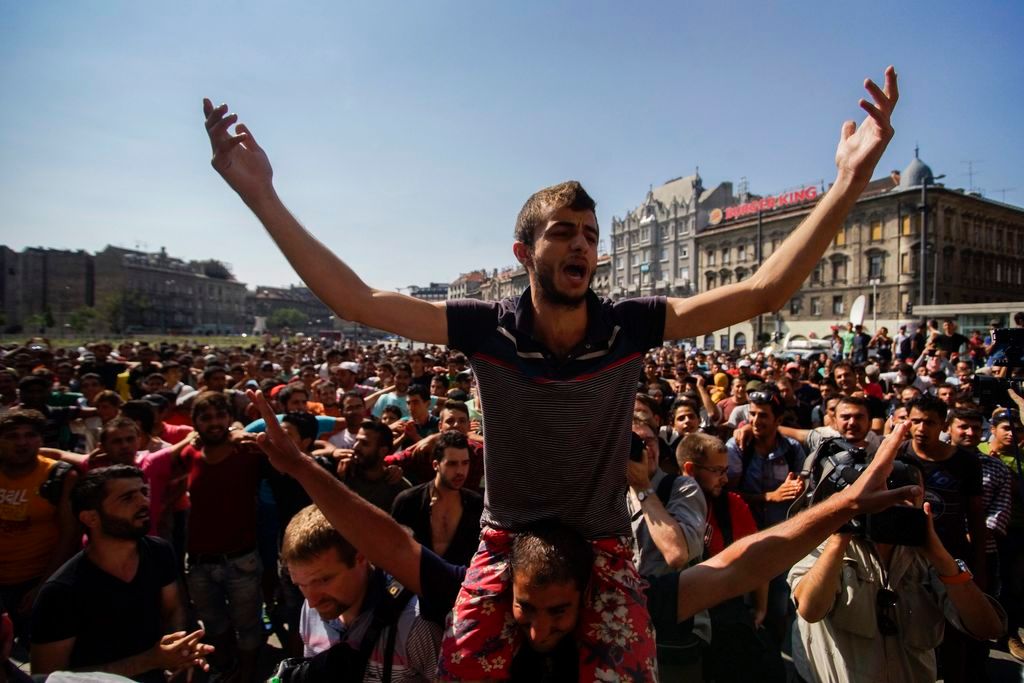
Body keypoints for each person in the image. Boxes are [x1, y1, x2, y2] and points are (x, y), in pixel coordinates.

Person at [203, 66, 899, 680]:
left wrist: (847, 181)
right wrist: (261, 194)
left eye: (591, 234)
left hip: (603, 547)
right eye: (564, 231)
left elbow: (760, 294)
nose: (583, 245)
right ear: (524, 249)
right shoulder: (485, 326)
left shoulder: (630, 322)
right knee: (466, 662)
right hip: (505, 542)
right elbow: (355, 299)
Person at [249, 388, 925, 679]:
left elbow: (743, 564)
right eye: (527, 608)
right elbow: (387, 541)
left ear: (586, 595)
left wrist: (844, 507)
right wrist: (302, 468)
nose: (540, 627)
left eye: (557, 611)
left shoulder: (619, 603)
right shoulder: (472, 594)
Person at [788, 484, 1005, 682]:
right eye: (884, 494)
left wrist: (939, 557)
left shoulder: (928, 556)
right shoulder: (826, 544)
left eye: (906, 496)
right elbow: (811, 610)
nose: (892, 506)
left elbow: (988, 627)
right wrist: (841, 534)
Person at [30, 465, 213, 682]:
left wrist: (181, 650)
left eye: (144, 493)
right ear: (91, 518)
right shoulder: (61, 592)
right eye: (127, 498)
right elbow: (48, 677)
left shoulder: (158, 552)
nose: (143, 502)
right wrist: (151, 660)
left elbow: (173, 609)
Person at [281, 504, 442, 681]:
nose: (312, 601)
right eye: (301, 585)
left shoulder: (415, 625)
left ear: (361, 556)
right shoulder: (312, 608)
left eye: (324, 580)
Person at [677, 432, 774, 682]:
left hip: (726, 617)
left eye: (726, 470)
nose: (724, 478)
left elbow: (758, 558)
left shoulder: (733, 505)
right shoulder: (666, 504)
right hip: (683, 620)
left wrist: (760, 608)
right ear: (689, 469)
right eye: (717, 471)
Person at [626, 416, 707, 678]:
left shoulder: (682, 487)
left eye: (648, 441)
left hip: (673, 629)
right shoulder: (607, 493)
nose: (643, 449)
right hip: (624, 625)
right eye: (631, 443)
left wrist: (642, 488)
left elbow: (676, 553)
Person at [0, 410, 78, 644]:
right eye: (12, 436)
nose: (22, 442)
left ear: (40, 440)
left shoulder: (58, 475)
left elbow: (70, 536)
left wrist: (45, 586)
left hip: (36, 580)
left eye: (30, 435)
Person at [391, 430, 483, 566]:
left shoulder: (476, 504)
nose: (460, 471)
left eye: (465, 463)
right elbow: (392, 549)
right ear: (436, 465)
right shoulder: (409, 501)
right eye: (452, 464)